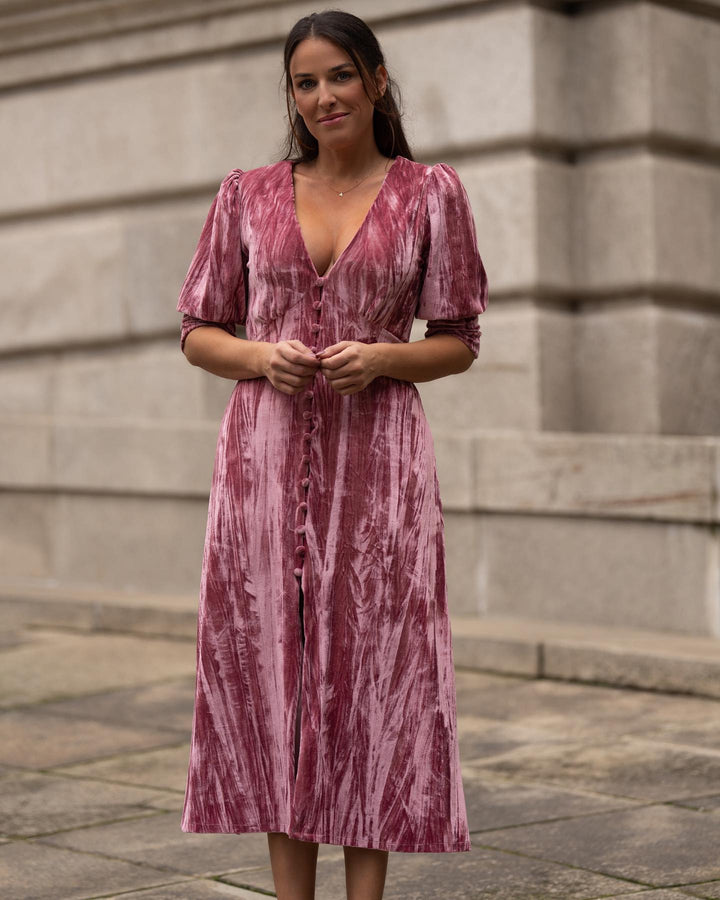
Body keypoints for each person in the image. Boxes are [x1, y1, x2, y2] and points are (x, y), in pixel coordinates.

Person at [176, 9, 488, 900]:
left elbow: (460, 337)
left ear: (377, 81)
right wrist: (254, 356)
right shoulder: (246, 193)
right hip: (261, 468)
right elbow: (199, 327)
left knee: (370, 674)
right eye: (305, 82)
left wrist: (385, 358)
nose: (323, 97)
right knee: (274, 670)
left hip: (380, 470)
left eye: (340, 77)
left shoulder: (431, 193)